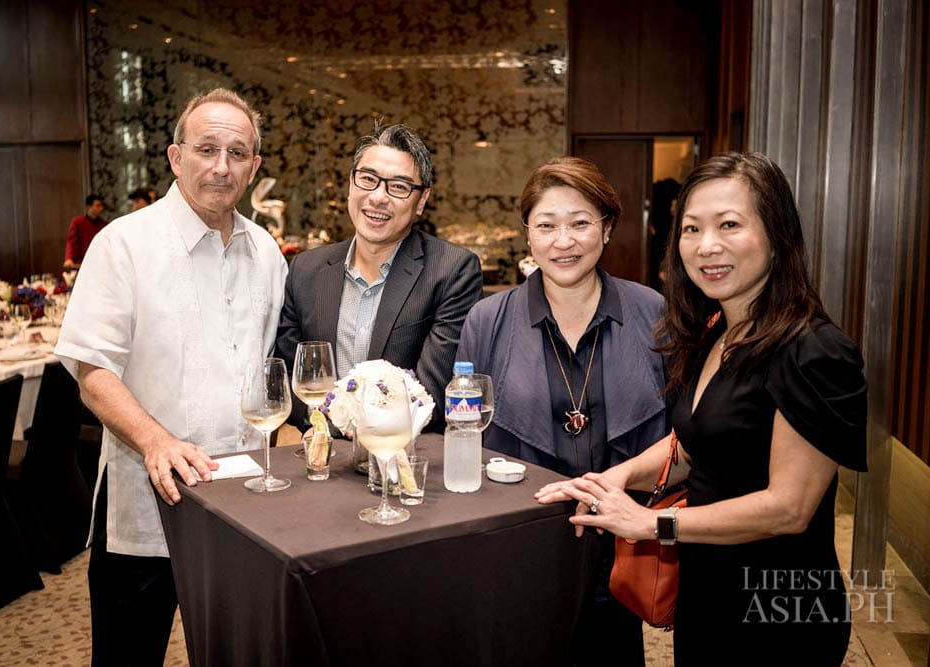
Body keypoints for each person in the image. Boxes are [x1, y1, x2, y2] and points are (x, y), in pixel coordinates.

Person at [537, 152, 867, 666]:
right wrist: (616, 477)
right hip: (708, 591)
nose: (707, 245)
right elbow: (693, 445)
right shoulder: (717, 331)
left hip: (779, 607)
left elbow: (789, 508)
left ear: (777, 233)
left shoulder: (813, 350)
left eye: (729, 224)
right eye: (692, 229)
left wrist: (652, 525)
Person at [54, 88, 287, 665]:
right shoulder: (123, 244)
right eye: (207, 149)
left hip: (244, 509)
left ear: (254, 167)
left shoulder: (267, 253)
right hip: (146, 502)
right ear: (176, 157)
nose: (222, 166)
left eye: (238, 153)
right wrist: (156, 440)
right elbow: (91, 369)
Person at [457, 157, 669, 665]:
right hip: (522, 544)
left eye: (580, 223)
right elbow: (464, 434)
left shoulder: (653, 312)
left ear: (607, 229)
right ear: (528, 235)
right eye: (547, 225)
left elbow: (682, 433)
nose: (563, 241)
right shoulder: (487, 319)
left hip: (621, 546)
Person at [275, 122, 482, 432]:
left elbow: (432, 393)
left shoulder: (452, 271)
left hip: (406, 453)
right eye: (368, 179)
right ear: (350, 184)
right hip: (324, 452)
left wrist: (352, 428)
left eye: (398, 187)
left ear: (421, 201)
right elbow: (293, 380)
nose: (378, 197)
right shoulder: (306, 270)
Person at [63, 194, 108, 269]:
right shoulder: (77, 222)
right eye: (98, 205)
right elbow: (71, 242)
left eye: (102, 205)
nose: (101, 208)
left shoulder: (104, 225)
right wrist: (69, 258)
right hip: (80, 262)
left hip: (99, 263)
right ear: (89, 207)